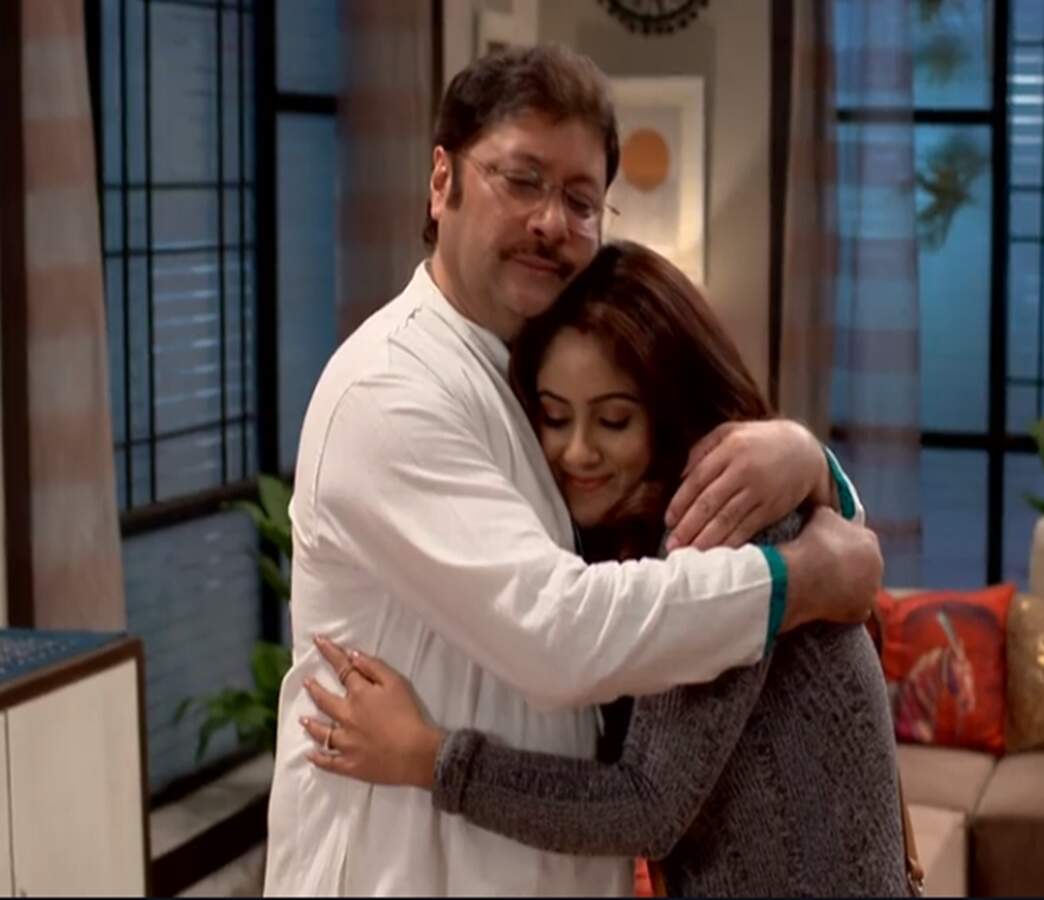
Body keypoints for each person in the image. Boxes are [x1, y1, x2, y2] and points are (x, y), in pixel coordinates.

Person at [264, 45, 883, 897]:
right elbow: (557, 630)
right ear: (441, 181)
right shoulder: (392, 389)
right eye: (521, 180)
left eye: (581, 200)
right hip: (405, 868)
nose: (552, 221)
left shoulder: (534, 373)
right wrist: (800, 579)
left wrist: (814, 467)